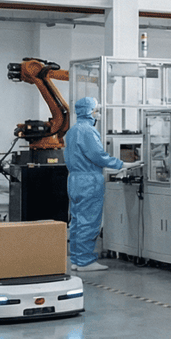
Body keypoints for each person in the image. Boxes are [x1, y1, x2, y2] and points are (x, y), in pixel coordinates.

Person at [64, 96, 125, 272]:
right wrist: (120, 164)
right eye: (96, 109)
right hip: (89, 181)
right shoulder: (88, 131)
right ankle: (85, 261)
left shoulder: (73, 130)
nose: (98, 112)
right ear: (90, 111)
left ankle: (76, 259)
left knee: (77, 220)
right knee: (89, 221)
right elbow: (98, 156)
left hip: (75, 179)